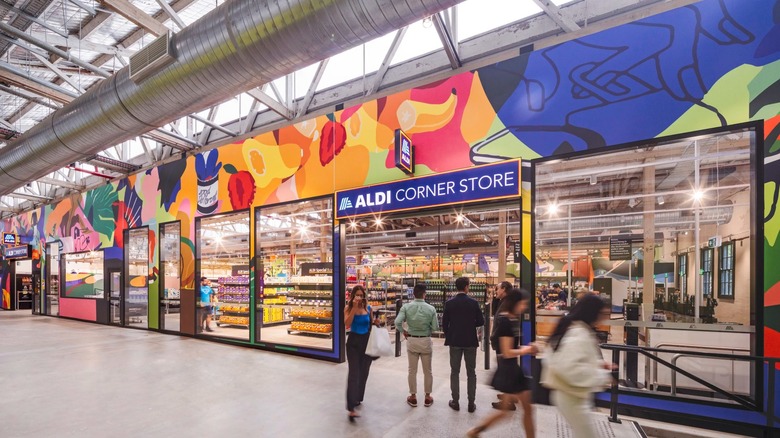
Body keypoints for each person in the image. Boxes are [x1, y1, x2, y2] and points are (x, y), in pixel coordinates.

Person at [541, 294, 614, 438]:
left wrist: (598, 364)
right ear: (593, 313)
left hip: (572, 396)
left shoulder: (576, 328)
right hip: (571, 397)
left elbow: (571, 358)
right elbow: (568, 367)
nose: (604, 318)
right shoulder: (579, 333)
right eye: (603, 314)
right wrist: (602, 376)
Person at [468, 289, 537, 438]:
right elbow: (506, 352)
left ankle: (476, 431)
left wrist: (525, 349)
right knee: (524, 409)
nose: (524, 307)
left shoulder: (511, 319)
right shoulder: (506, 321)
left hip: (511, 368)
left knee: (510, 410)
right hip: (510, 369)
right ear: (515, 303)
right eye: (522, 304)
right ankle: (475, 431)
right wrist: (526, 350)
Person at [442, 277, 485, 413]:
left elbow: (444, 324)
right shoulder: (473, 303)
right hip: (470, 341)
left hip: (454, 341)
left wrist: (450, 333)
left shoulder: (449, 304)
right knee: (471, 372)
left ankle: (455, 401)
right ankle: (471, 404)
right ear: (467, 287)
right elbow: (480, 321)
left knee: (455, 372)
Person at [395, 284, 439, 408]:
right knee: (428, 371)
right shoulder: (431, 308)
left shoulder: (406, 307)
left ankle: (413, 397)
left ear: (413, 294)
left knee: (412, 370)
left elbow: (397, 322)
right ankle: (427, 397)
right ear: (424, 294)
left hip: (412, 340)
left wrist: (403, 331)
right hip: (425, 341)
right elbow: (435, 327)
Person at [344, 285, 376, 422]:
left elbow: (371, 325)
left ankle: (357, 398)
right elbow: (347, 324)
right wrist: (354, 309)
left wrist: (376, 322)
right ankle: (351, 408)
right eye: (356, 295)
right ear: (352, 296)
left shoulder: (369, 308)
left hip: (366, 342)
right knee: (354, 374)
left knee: (364, 372)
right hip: (353, 342)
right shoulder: (348, 308)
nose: (359, 297)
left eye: (361, 295)